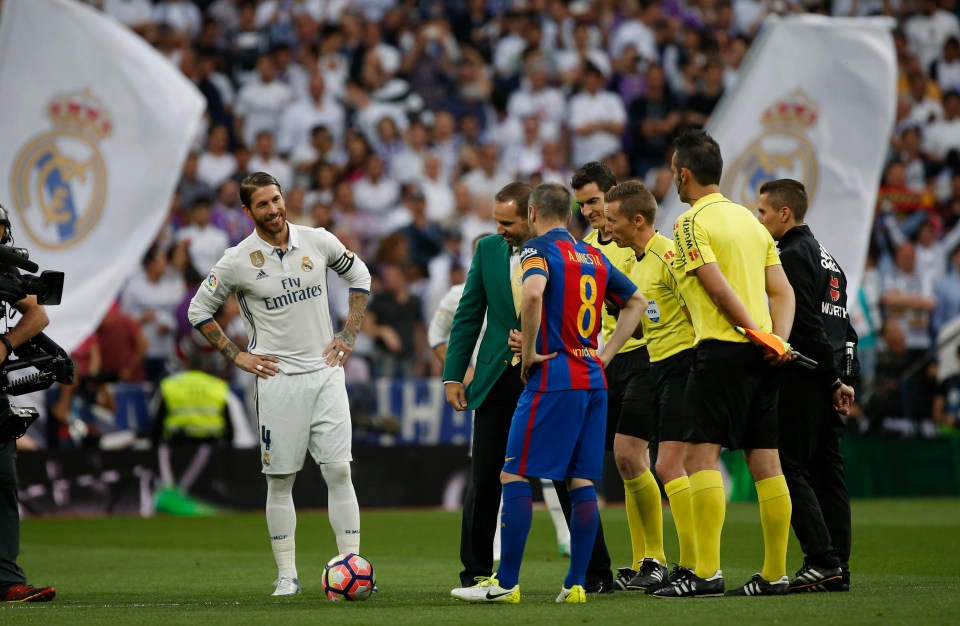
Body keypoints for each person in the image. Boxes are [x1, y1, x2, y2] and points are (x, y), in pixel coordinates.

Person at [450, 182, 646, 604]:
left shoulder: (537, 251)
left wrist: (532, 351)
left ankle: (505, 584)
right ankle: (576, 585)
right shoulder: (593, 254)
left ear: (534, 213)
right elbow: (637, 302)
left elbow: (534, 294)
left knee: (513, 472)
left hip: (554, 376)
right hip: (593, 377)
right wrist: (606, 354)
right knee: (580, 482)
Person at [187, 171, 371, 596]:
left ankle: (352, 564)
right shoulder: (237, 260)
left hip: (326, 374)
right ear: (248, 211)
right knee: (280, 480)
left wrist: (349, 334)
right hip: (277, 379)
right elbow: (199, 311)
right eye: (263, 204)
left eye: (276, 200)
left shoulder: (318, 240)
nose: (273, 210)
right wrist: (237, 355)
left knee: (340, 471)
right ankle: (287, 574)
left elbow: (360, 276)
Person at [652, 129, 796, 598]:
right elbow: (783, 292)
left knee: (699, 457)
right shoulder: (752, 223)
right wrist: (776, 340)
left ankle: (706, 572)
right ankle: (775, 574)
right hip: (763, 355)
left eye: (674, 171)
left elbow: (716, 288)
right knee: (767, 463)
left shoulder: (689, 223)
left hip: (721, 349)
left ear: (684, 174)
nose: (673, 179)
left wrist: (755, 333)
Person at [756, 179, 857, 592]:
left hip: (805, 372)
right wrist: (844, 379)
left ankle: (820, 558)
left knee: (789, 467)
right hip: (830, 377)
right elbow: (846, 327)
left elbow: (805, 324)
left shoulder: (792, 254)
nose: (758, 220)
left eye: (762, 212)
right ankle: (838, 565)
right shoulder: (829, 258)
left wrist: (829, 376)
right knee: (828, 471)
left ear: (784, 213)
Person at [572, 161, 665, 591]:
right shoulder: (588, 248)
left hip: (646, 355)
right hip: (606, 362)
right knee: (625, 463)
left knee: (630, 455)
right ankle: (640, 559)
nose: (590, 211)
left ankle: (657, 559)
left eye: (594, 201)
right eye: (583, 205)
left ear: (613, 196)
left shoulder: (637, 239)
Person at [602, 180, 699, 592]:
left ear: (637, 220)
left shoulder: (669, 255)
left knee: (670, 466)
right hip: (655, 366)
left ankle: (693, 565)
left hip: (683, 365)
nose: (608, 229)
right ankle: (671, 563)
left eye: (613, 220)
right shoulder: (637, 261)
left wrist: (700, 364)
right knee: (650, 462)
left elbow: (699, 308)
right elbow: (649, 319)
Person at [0, 203, 56, 603]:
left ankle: (6, 581)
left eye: (1, 228)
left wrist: (5, 343)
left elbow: (37, 316)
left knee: (4, 480)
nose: (0, 236)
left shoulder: (5, 274)